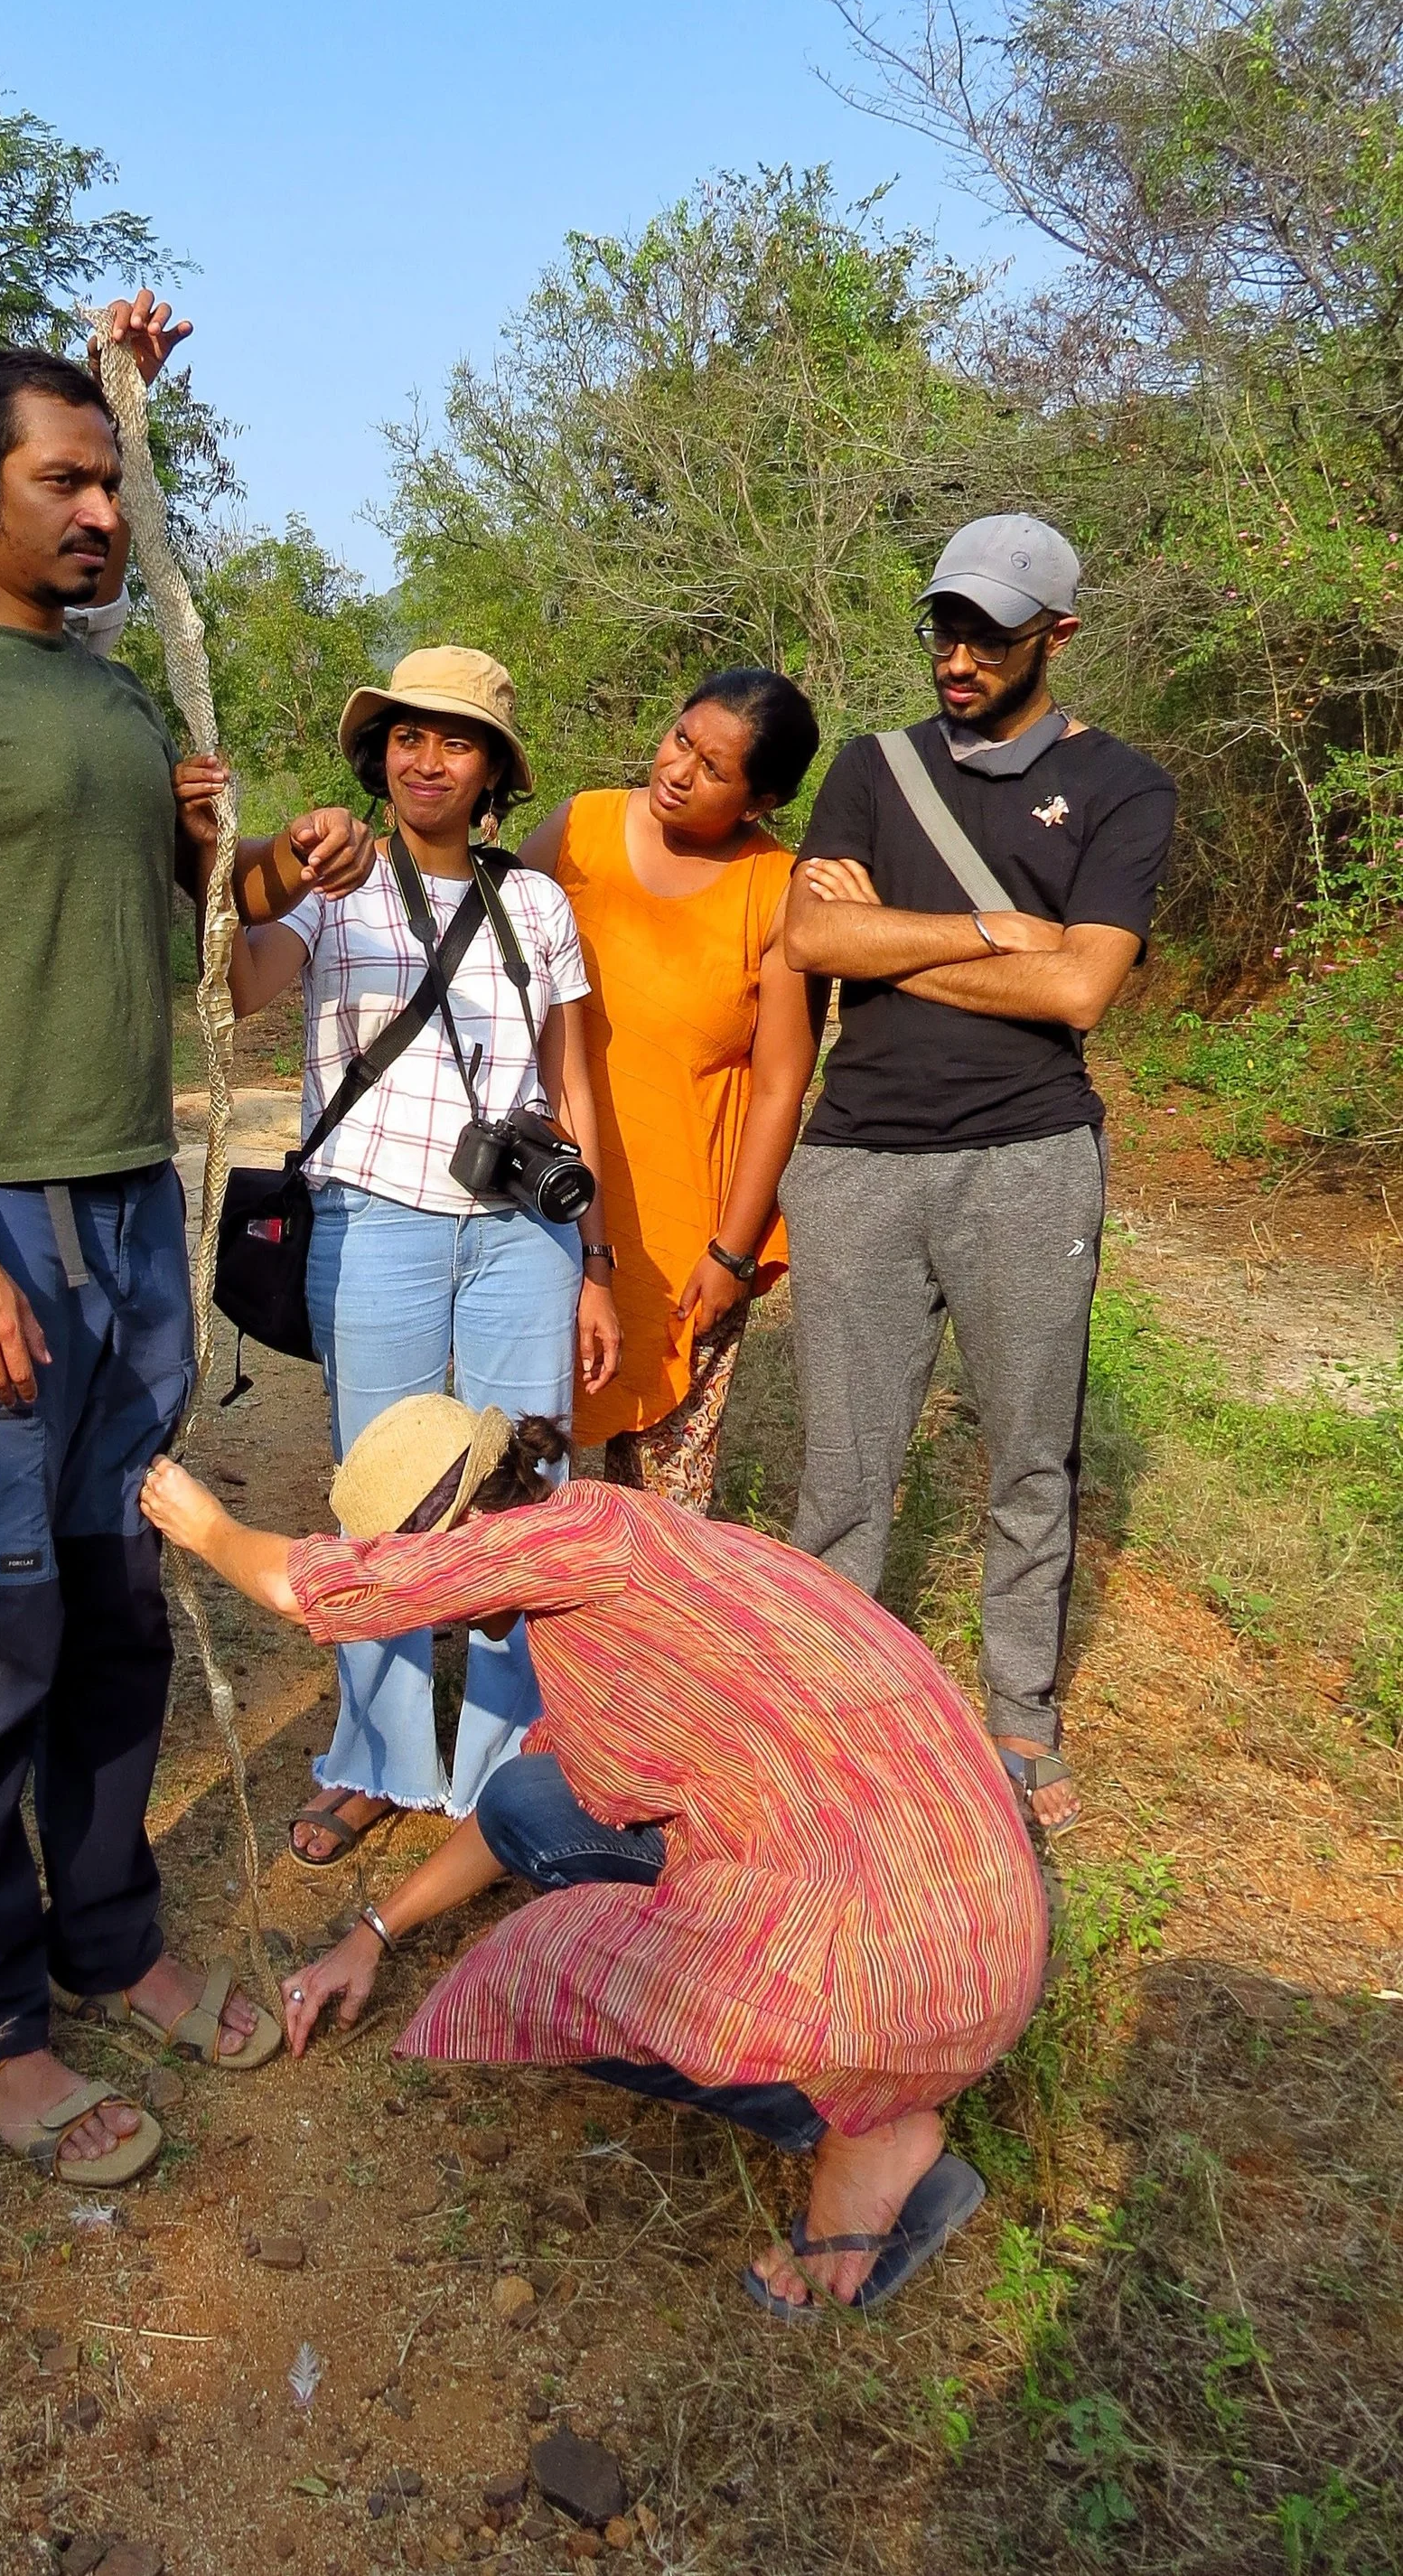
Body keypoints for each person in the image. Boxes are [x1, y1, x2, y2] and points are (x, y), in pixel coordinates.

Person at [0, 303, 383, 2187]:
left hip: (132, 1202)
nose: (98, 510)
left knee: (114, 1604)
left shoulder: (113, 698)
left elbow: (180, 925)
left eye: (109, 479)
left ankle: (109, 1932)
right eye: (58, 479)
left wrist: (275, 861)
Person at [139, 1395, 1047, 2316]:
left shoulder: (559, 1557)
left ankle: (862, 2134)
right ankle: (859, 2092)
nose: (449, 1626)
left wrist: (205, 1527)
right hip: (969, 1891)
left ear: (460, 1548)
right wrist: (371, 1933)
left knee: (546, 1974)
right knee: (528, 1797)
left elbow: (308, 1588)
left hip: (917, 1957)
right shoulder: (609, 1540)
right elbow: (528, 1801)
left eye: (442, 1603)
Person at [781, 515, 1177, 1834]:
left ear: (1057, 636)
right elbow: (802, 938)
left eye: (991, 635)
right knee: (843, 1463)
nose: (958, 655)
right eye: (945, 626)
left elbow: (1082, 984)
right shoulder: (871, 768)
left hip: (1029, 1156)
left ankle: (1020, 1716)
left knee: (1029, 1453)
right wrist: (989, 931)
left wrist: (880, 942)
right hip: (857, 1162)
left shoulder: (1125, 785)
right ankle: (820, 1708)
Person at [221, 647, 620, 1871]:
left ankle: (509, 1763)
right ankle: (377, 1754)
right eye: (406, 735)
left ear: (494, 765)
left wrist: (593, 1252)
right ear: (378, 752)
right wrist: (272, 861)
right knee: (381, 1493)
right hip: (375, 1222)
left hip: (523, 1238)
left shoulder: (538, 904)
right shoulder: (329, 882)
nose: (425, 757)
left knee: (523, 1498)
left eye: (454, 739)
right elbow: (243, 983)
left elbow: (573, 1083)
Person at [518, 670, 822, 1509]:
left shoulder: (776, 888)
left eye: (713, 768)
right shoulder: (579, 828)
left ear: (760, 800)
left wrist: (731, 1250)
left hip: (689, 1233)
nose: (678, 769)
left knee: (661, 1507)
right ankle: (515, 1631)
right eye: (680, 737)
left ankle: (643, 1642)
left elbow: (780, 1083)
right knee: (525, 1450)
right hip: (551, 1211)